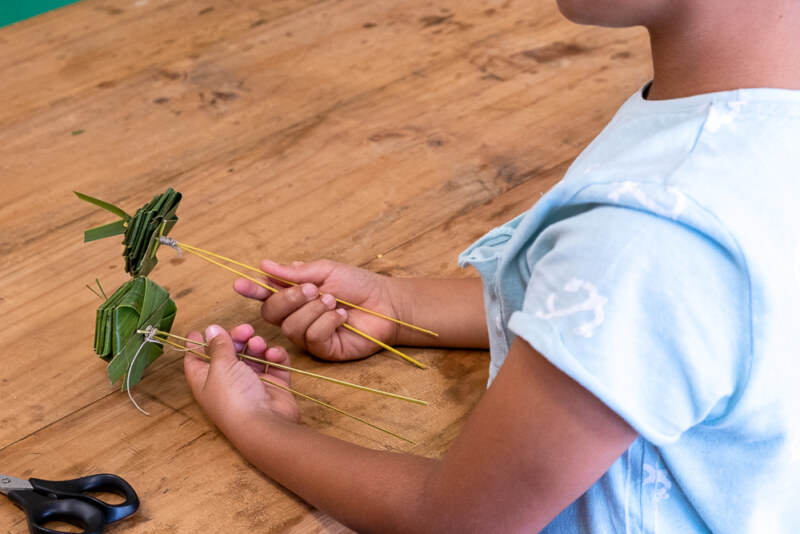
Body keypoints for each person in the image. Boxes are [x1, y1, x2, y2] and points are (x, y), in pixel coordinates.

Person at [183, 1, 800, 531]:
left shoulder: (657, 225)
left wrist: (260, 425)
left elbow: (459, 519)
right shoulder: (740, 124)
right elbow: (669, 327)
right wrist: (403, 308)